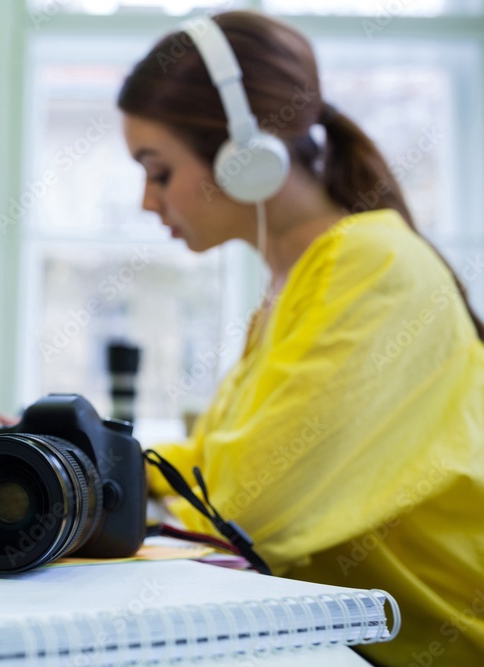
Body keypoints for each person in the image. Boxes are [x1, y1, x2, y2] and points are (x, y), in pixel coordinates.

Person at [117, 10, 484, 666]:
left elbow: (251, 510)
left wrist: (128, 492)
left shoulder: (372, 266)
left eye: (158, 169)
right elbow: (211, 459)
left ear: (244, 155)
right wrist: (110, 463)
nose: (149, 201)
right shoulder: (291, 283)